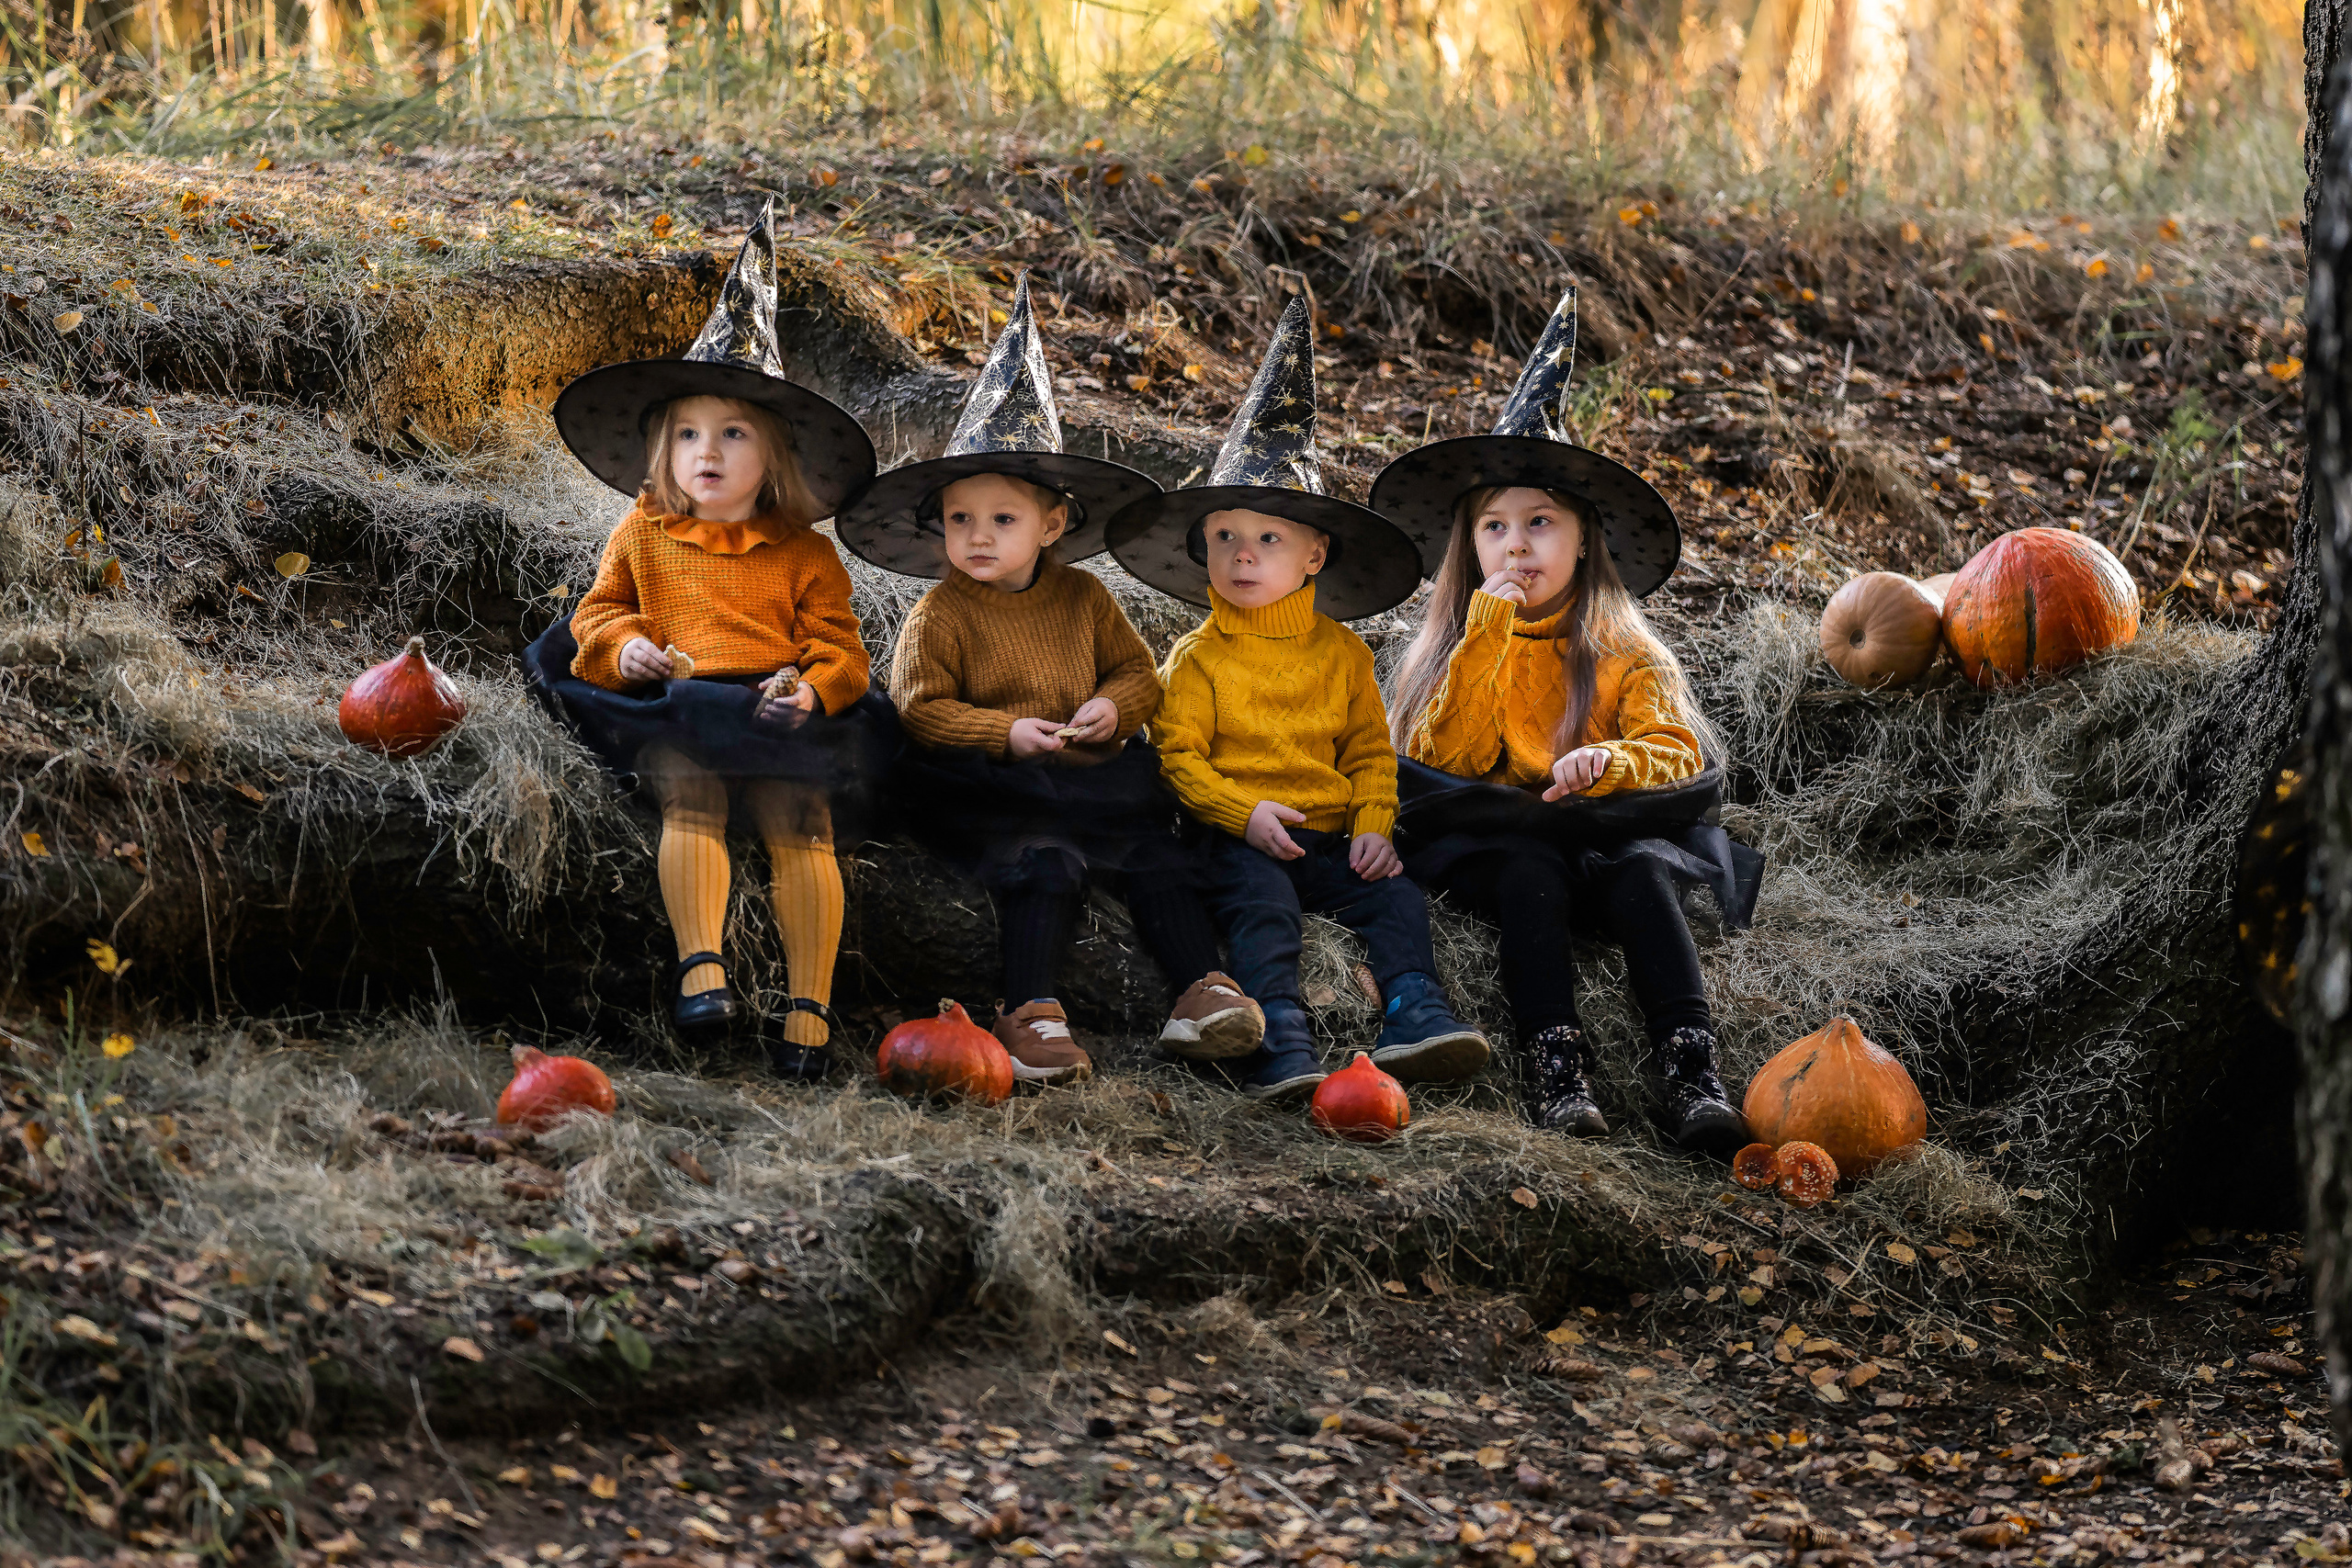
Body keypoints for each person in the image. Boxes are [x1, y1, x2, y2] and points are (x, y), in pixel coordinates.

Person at [837, 276, 1265, 1083]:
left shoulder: (1083, 595)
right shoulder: (940, 613)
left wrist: (1110, 706)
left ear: (1052, 524)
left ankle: (1200, 990)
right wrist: (1004, 731)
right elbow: (922, 709)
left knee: (1158, 858)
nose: (979, 536)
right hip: (993, 784)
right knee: (1047, 864)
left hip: (1087, 777)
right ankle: (1028, 1008)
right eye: (960, 519)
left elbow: (1136, 673)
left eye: (1003, 519)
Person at [1373, 283, 1759, 1153]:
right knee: (1528, 873)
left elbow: (1675, 749)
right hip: (1501, 843)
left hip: (1610, 835)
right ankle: (1557, 1065)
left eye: (1540, 522)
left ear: (1584, 540)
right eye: (1494, 527)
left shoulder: (1625, 651)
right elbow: (1442, 760)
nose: (1516, 544)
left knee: (1643, 875)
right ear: (1470, 547)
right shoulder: (1458, 648)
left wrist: (1609, 762)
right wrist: (1486, 634)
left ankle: (1692, 1069)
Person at [522, 200, 895, 1081]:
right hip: (679, 706)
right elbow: (598, 614)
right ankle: (703, 971)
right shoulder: (643, 533)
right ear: (662, 453)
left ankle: (808, 1010)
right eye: (687, 434)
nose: (708, 452)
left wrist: (812, 689)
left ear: (774, 458)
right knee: (689, 796)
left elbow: (841, 649)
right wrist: (628, 650)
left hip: (770, 713)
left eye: (733, 434)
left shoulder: (805, 554)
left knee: (800, 823)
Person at [1105, 295, 1489, 1102]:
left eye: (1267, 538)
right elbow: (1178, 759)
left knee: (1394, 896)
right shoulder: (1199, 658)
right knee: (1263, 905)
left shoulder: (1342, 652)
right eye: (1224, 537)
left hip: (1330, 835)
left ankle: (1414, 1008)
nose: (1243, 555)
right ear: (1202, 549)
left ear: (1315, 554)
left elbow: (1369, 750)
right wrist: (1243, 813)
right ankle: (1279, 1034)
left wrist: (1374, 824)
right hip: (1239, 833)